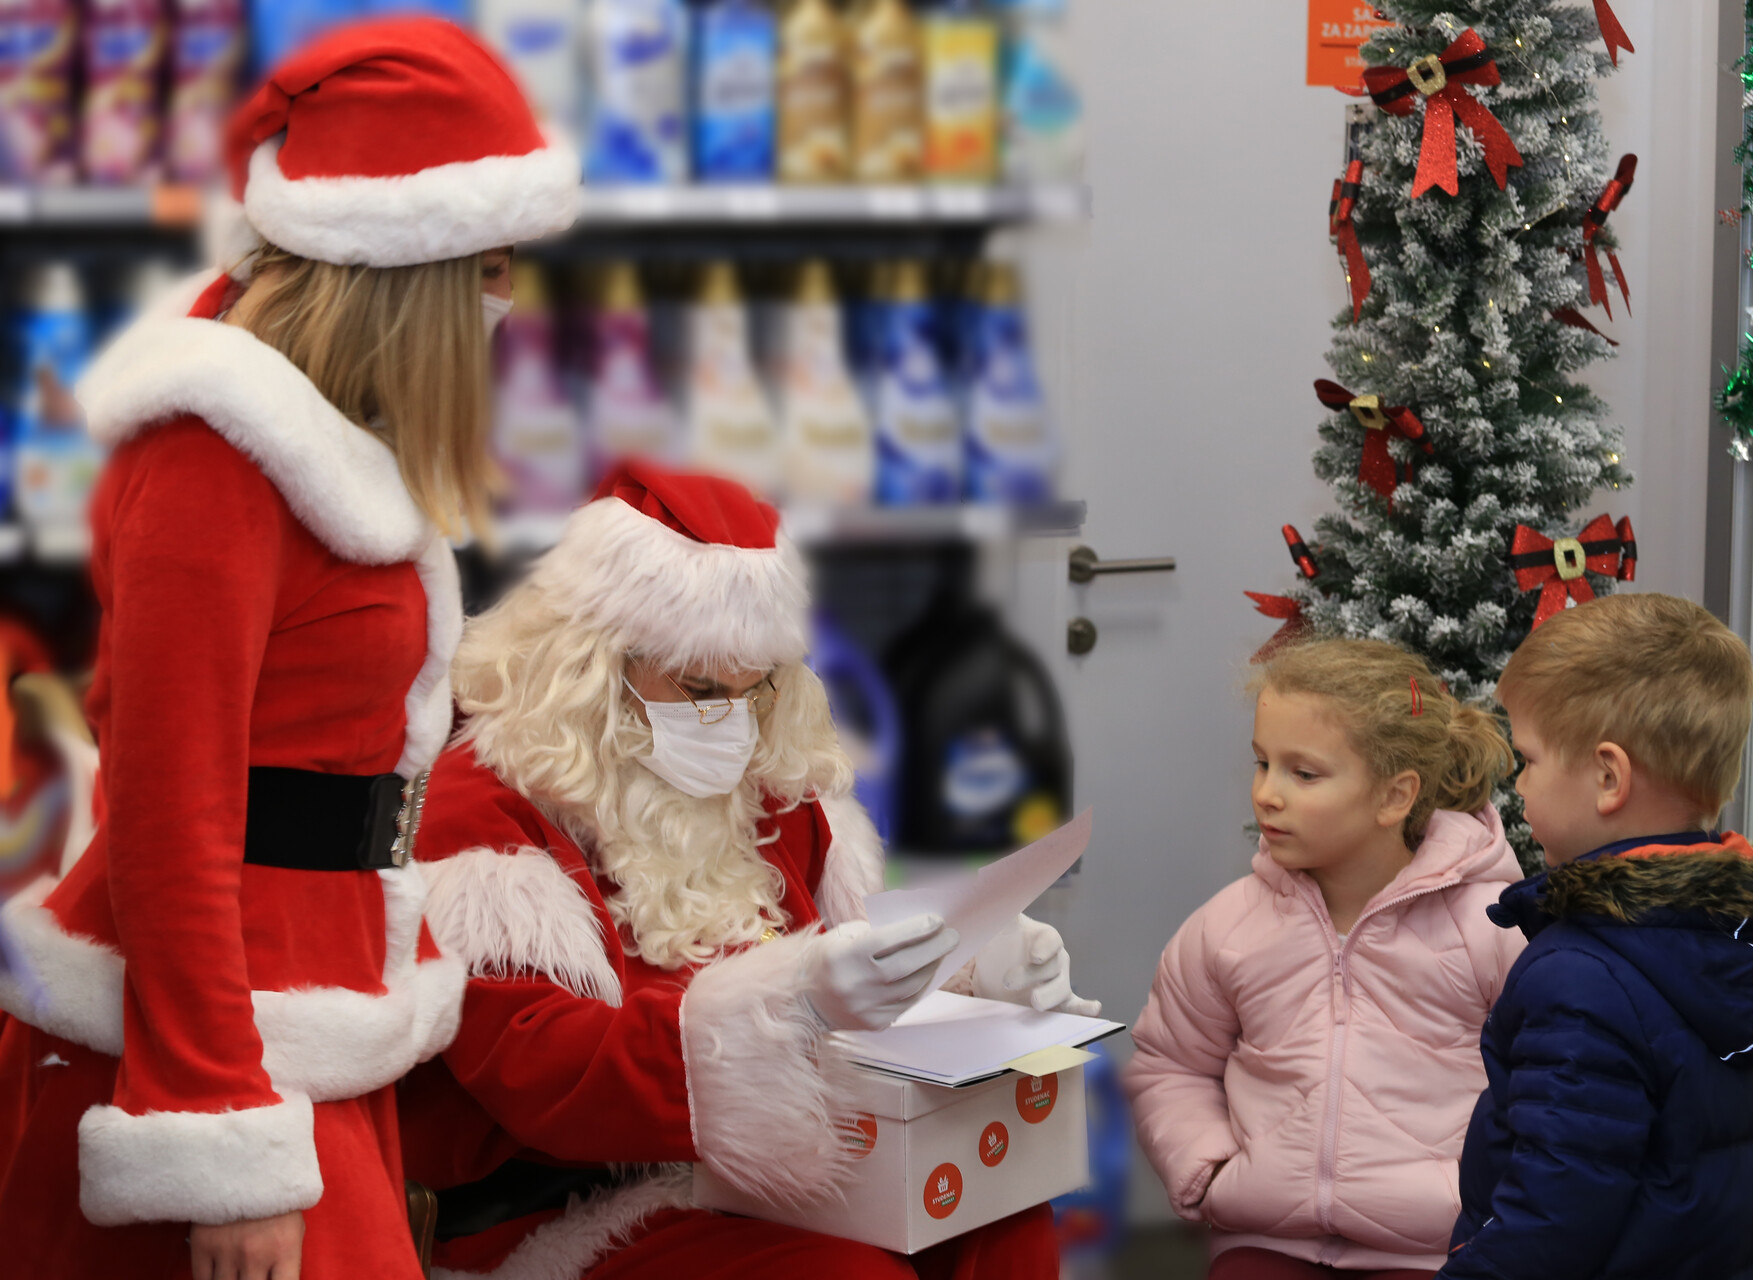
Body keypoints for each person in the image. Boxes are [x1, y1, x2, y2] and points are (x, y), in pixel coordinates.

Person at [0, 18, 579, 1279]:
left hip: (304, 1008)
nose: (507, 303)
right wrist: (218, 1126)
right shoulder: (215, 458)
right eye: (491, 266)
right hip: (216, 1047)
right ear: (408, 267)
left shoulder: (316, 440)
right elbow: (169, 806)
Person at [399, 459, 1095, 1280]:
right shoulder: (484, 811)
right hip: (577, 1205)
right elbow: (541, 1072)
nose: (727, 721)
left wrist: (972, 971)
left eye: (754, 688)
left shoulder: (769, 784)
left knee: (1003, 1222)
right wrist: (788, 1005)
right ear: (591, 662)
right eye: (699, 686)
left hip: (788, 1159)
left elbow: (855, 963)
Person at [1438, 593, 1753, 1280]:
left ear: (1608, 777)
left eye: (1528, 760)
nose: (1518, 787)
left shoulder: (1582, 976)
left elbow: (1549, 1220)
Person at [1125, 638, 1526, 1280]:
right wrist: (1208, 1167)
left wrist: (1500, 1204)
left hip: (1440, 1250)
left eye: (1303, 774)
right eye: (1262, 764)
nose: (1267, 794)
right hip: (1267, 1241)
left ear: (1394, 797)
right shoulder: (1228, 927)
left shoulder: (1493, 927)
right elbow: (1171, 1065)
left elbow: (1548, 1082)